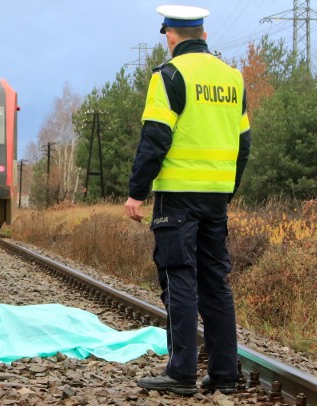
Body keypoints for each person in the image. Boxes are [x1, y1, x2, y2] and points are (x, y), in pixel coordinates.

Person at [124, 4, 251, 396]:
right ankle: (225, 375)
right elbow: (244, 143)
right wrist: (226, 188)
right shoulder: (234, 79)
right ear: (205, 36)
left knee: (179, 277)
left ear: (171, 36)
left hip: (177, 197)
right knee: (215, 283)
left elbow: (156, 137)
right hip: (216, 198)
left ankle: (181, 373)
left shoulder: (169, 75)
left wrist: (136, 192)